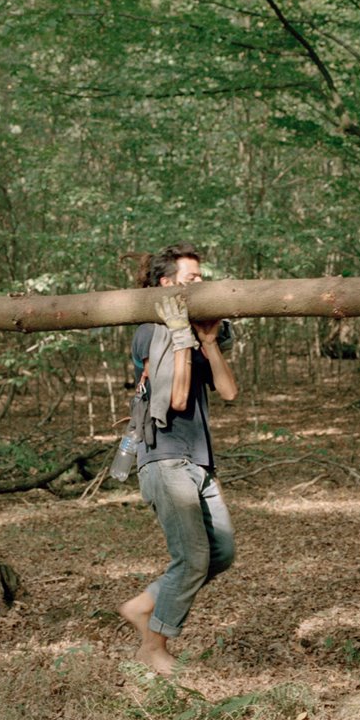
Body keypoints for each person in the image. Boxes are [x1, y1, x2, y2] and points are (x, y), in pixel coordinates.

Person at [118, 245, 239, 676]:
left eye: (202, 279)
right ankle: (153, 645)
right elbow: (176, 398)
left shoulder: (187, 332)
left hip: (197, 461)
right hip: (165, 459)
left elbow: (227, 391)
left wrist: (206, 340)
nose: (201, 286)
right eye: (191, 280)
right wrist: (182, 336)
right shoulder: (153, 330)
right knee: (191, 559)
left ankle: (143, 605)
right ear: (166, 285)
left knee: (221, 551)